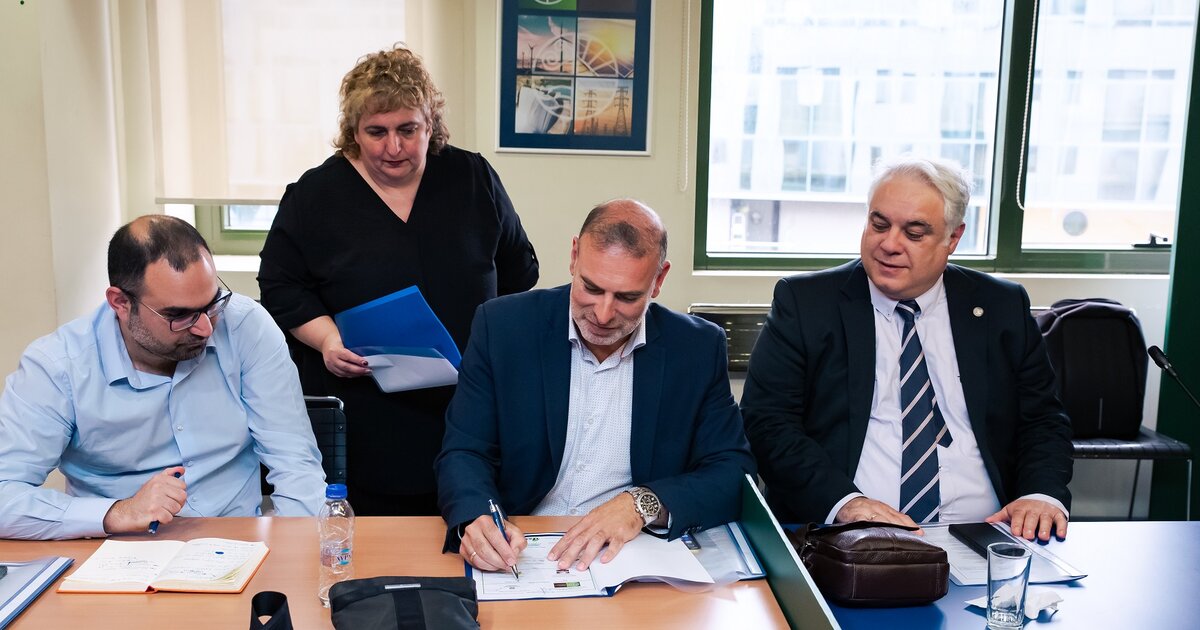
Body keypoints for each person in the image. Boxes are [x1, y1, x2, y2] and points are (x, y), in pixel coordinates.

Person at [258, 45, 539, 516]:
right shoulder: (315, 196)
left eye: (408, 130)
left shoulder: (472, 178)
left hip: (466, 406)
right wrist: (327, 340)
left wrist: (483, 339)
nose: (394, 148)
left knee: (468, 525)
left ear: (431, 126)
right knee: (372, 544)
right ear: (353, 132)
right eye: (377, 132)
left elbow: (519, 270)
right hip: (364, 411)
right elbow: (280, 286)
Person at [741, 155, 1073, 542]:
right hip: (847, 537)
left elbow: (1042, 420)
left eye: (914, 233)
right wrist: (845, 503)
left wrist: (1039, 495)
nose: (889, 244)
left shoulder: (1001, 306)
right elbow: (768, 423)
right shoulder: (806, 303)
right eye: (879, 224)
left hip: (987, 532)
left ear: (953, 239)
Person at [436, 199, 756, 574]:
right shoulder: (503, 326)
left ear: (659, 280)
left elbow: (732, 471)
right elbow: (464, 451)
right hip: (523, 547)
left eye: (627, 297)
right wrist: (477, 516)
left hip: (631, 553)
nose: (603, 315)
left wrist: (642, 503)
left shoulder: (696, 347)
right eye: (591, 288)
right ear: (574, 257)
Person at [0, 215, 326, 540]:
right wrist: (118, 512)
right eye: (179, 315)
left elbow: (295, 464)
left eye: (212, 303)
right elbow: (5, 494)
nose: (205, 328)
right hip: (115, 551)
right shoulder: (58, 367)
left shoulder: (245, 326)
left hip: (237, 543)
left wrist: (292, 549)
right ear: (121, 303)